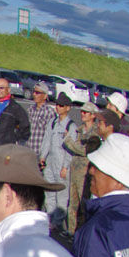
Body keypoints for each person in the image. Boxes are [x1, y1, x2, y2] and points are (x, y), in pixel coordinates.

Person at [63, 102, 102, 234]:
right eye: (82, 111)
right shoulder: (79, 130)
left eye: (86, 112)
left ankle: (81, 232)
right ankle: (71, 231)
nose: (82, 114)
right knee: (72, 204)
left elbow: (85, 150)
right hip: (75, 170)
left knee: (83, 204)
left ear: (93, 115)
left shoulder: (95, 133)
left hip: (85, 172)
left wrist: (68, 141)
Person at [42, 92, 76, 229]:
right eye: (57, 105)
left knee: (61, 195)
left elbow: (70, 149)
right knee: (49, 192)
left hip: (61, 164)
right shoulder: (53, 123)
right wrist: (42, 157)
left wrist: (65, 167)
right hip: (50, 162)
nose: (58, 107)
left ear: (68, 108)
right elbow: (47, 141)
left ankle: (57, 223)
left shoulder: (70, 126)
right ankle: (49, 218)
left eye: (61, 105)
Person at [0, 78, 31, 147]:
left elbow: (25, 127)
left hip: (6, 148)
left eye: (2, 88)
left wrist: (14, 137)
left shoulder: (15, 107)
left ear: (8, 90)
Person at [27, 82, 56, 158]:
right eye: (34, 92)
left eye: (37, 93)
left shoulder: (49, 112)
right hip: (28, 152)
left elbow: (51, 136)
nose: (34, 94)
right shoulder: (30, 109)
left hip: (40, 154)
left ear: (45, 96)